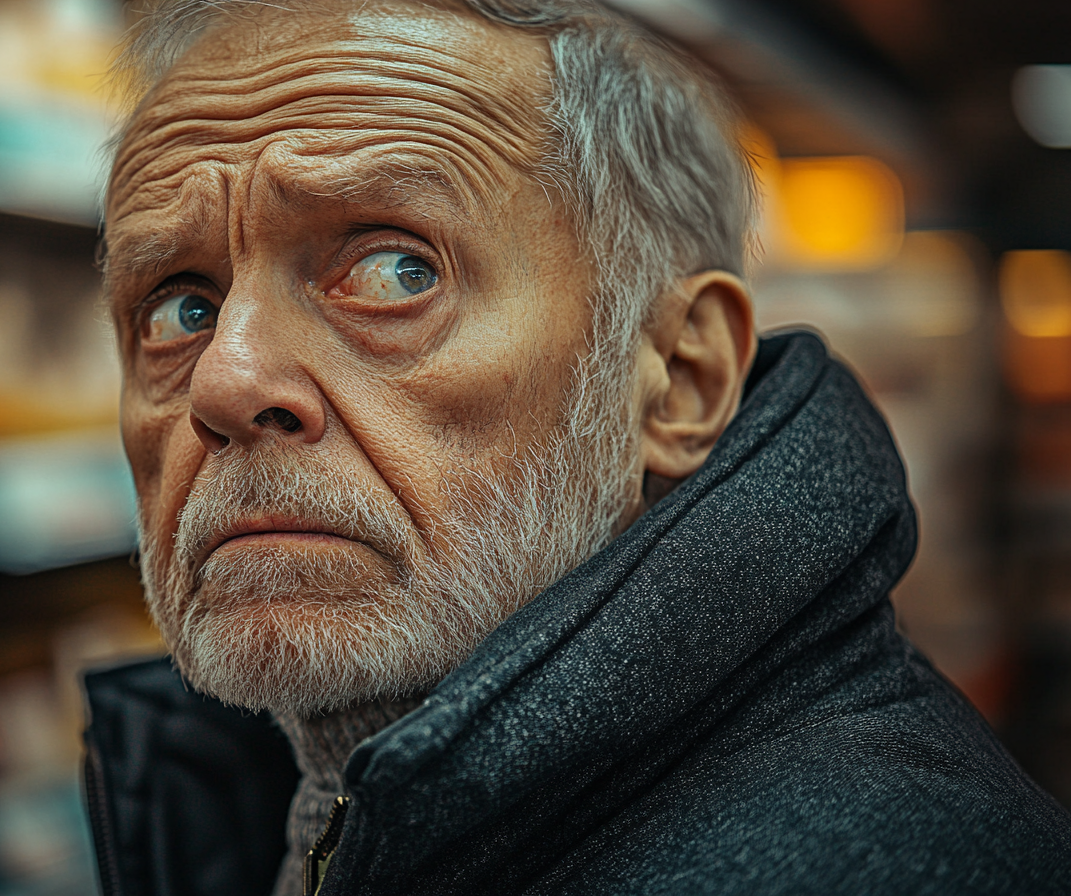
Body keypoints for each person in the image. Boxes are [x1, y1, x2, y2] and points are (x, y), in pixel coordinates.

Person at [80, 1, 1071, 894]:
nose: (225, 380)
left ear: (680, 377)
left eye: (393, 269)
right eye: (181, 304)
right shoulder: (284, 786)